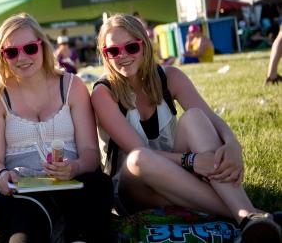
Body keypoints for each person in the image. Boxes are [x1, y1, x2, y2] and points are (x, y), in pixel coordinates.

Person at [91, 13, 282, 243]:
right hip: (131, 190)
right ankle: (246, 213)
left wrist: (233, 144)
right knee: (139, 158)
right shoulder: (103, 93)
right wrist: (190, 161)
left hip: (179, 175)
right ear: (105, 54)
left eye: (131, 47)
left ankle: (251, 220)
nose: (123, 56)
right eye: (113, 51)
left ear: (144, 45)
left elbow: (212, 119)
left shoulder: (169, 77)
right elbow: (140, 152)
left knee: (194, 117)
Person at [0, 13, 113, 243]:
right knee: (27, 216)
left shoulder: (72, 86)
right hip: (21, 193)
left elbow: (91, 153)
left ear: (43, 46)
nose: (22, 57)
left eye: (30, 48)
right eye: (11, 52)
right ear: (2, 57)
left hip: (70, 186)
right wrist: (1, 175)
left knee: (99, 184)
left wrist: (75, 167)